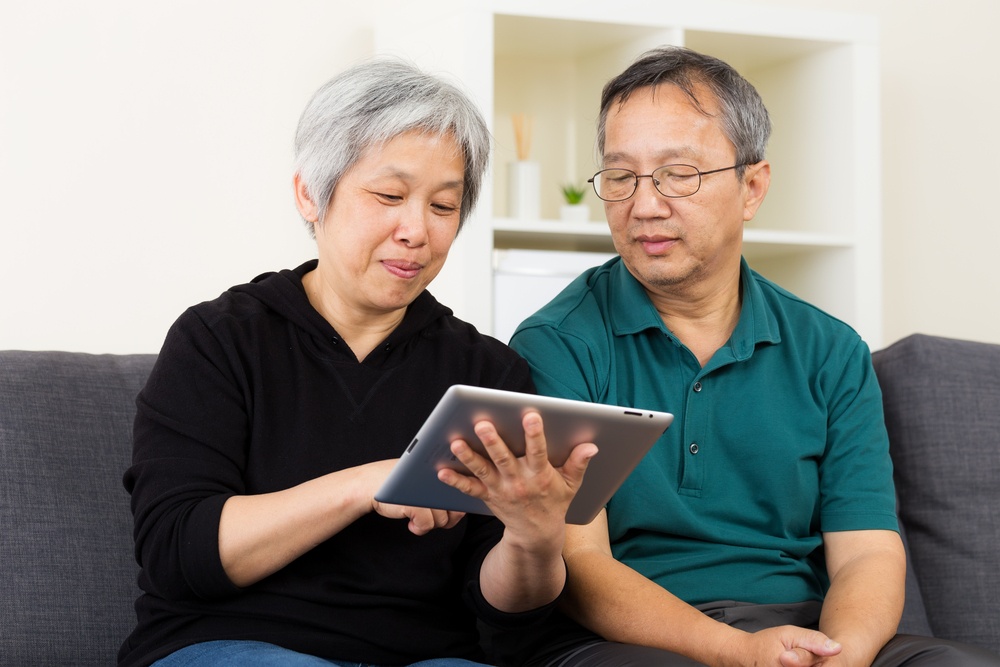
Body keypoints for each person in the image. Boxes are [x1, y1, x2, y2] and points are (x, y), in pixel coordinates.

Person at [501, 46, 1000, 667]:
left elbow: (868, 552)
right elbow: (579, 562)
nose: (644, 205)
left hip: (801, 628)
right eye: (621, 176)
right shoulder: (558, 343)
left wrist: (838, 654)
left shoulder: (830, 351)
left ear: (752, 187)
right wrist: (736, 652)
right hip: (627, 639)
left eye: (679, 174)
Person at [117, 58, 597, 667]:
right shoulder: (219, 339)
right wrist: (367, 485)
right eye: (389, 196)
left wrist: (534, 538)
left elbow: (505, 615)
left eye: (444, 206)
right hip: (232, 646)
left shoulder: (488, 372)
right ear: (310, 196)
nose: (416, 230)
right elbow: (178, 550)